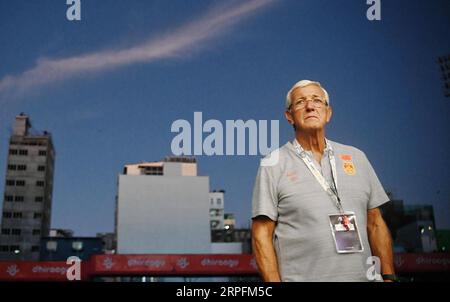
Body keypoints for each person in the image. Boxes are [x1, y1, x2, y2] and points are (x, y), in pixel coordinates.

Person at [251, 79, 396, 282]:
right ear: (289, 116)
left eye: (317, 100)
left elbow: (375, 222)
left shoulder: (357, 157)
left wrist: (388, 276)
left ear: (328, 113)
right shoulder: (272, 164)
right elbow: (261, 233)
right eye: (300, 102)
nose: (310, 106)